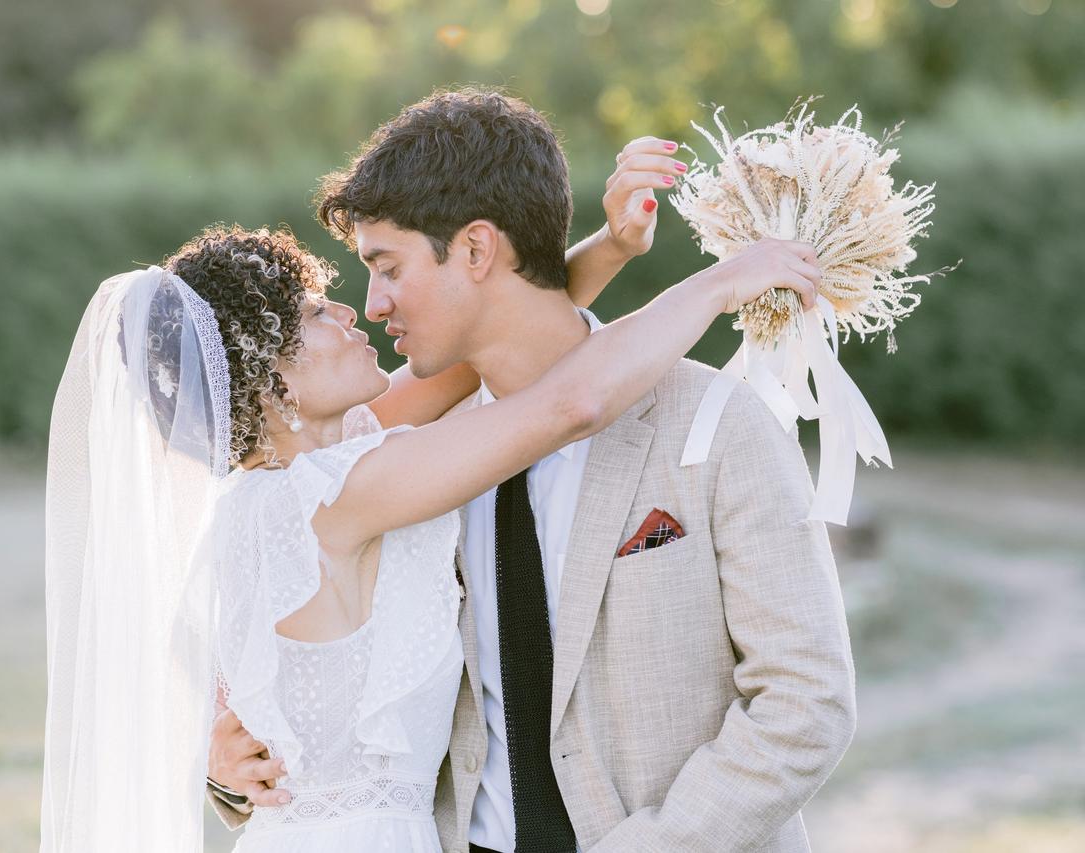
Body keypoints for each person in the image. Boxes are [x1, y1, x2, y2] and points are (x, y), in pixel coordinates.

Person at [208, 88, 857, 853]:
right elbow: (569, 398)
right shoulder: (407, 458)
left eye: (386, 267)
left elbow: (804, 705)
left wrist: (610, 247)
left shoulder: (717, 426)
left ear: (477, 250)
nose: (371, 305)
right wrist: (230, 768)